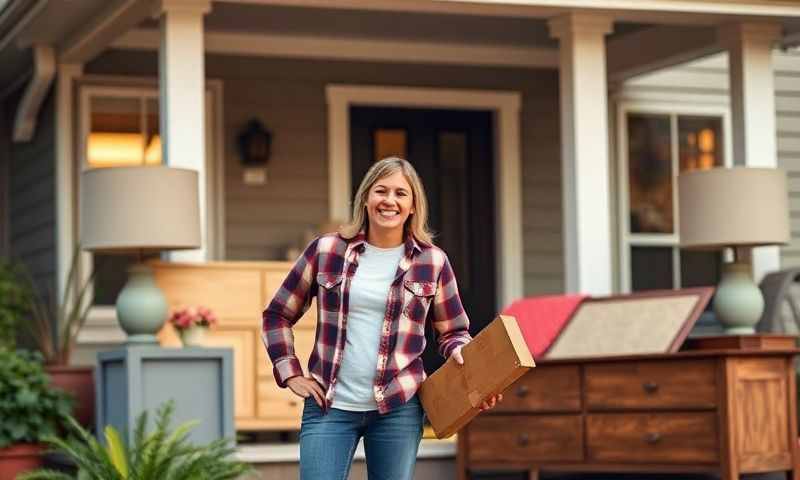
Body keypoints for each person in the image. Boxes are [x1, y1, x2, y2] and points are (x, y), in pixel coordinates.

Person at [261, 156, 502, 480]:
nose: (390, 200)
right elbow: (278, 314)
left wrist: (469, 363)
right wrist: (290, 373)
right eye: (381, 191)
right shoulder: (327, 250)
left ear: (414, 205)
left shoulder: (432, 262)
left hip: (398, 408)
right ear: (365, 198)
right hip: (329, 405)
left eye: (401, 193)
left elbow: (453, 332)